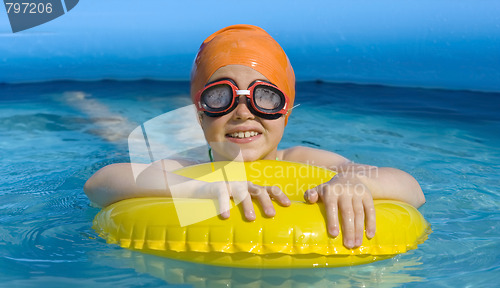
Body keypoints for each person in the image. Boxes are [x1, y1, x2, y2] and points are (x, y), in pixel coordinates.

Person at [84, 24, 425, 249]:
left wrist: (356, 184)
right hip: (200, 163)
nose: (244, 112)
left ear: (286, 111)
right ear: (199, 114)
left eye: (265, 98)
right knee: (116, 132)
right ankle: (82, 103)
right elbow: (101, 183)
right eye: (220, 98)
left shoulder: (304, 160)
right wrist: (200, 189)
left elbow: (412, 189)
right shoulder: (188, 167)